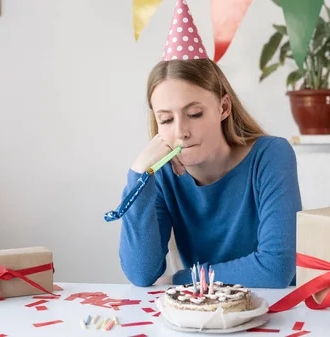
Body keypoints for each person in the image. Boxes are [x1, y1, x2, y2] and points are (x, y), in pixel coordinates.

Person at [117, 0, 302, 288]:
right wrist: (138, 176)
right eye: (166, 120)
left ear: (223, 107)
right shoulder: (163, 175)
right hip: (201, 318)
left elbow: (275, 268)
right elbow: (142, 273)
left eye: (194, 114)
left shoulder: (271, 156)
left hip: (275, 315)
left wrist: (182, 279)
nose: (181, 132)